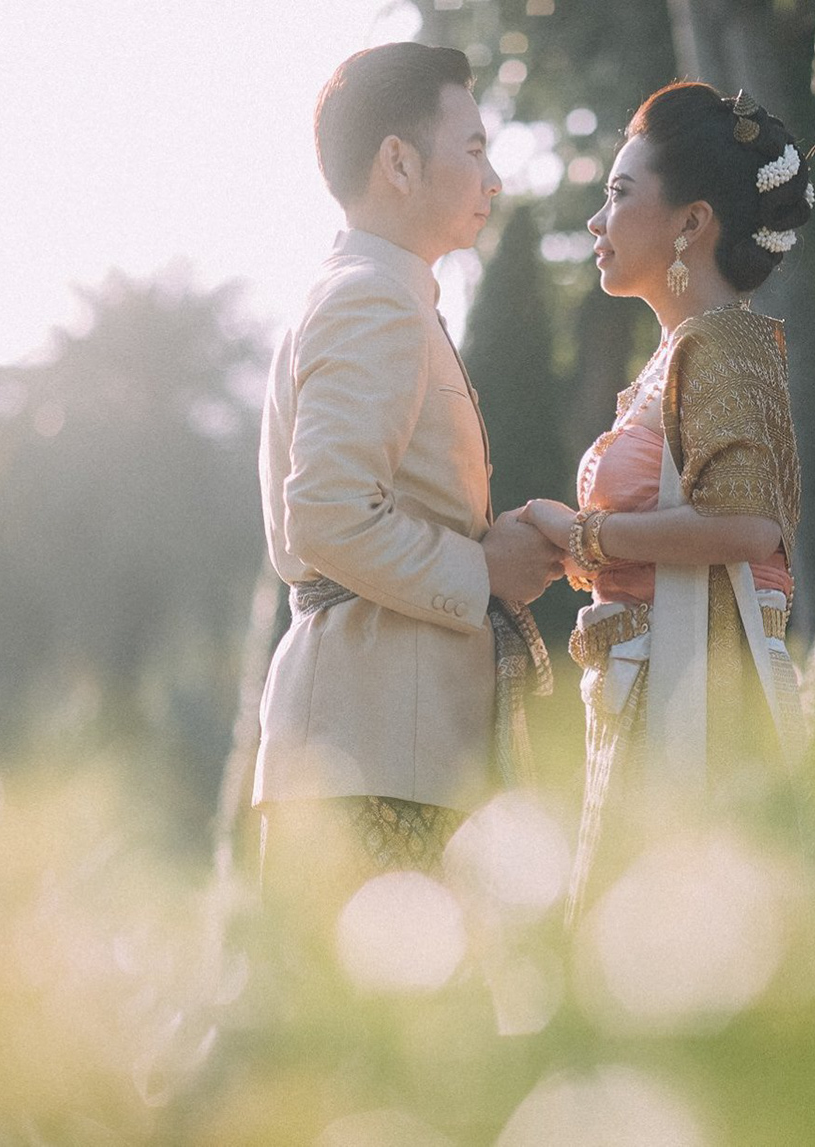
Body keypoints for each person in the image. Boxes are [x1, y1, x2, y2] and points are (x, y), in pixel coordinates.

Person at [253, 42, 562, 924]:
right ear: (398, 162)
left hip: (387, 745)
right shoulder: (372, 298)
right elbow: (326, 516)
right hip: (374, 754)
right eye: (474, 149)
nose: (492, 179)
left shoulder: (381, 292)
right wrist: (486, 568)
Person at [518, 83, 815, 911]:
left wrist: (585, 537)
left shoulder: (722, 341)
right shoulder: (682, 350)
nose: (596, 221)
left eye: (619, 194)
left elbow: (746, 524)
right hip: (652, 689)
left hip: (697, 709)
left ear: (692, 223)